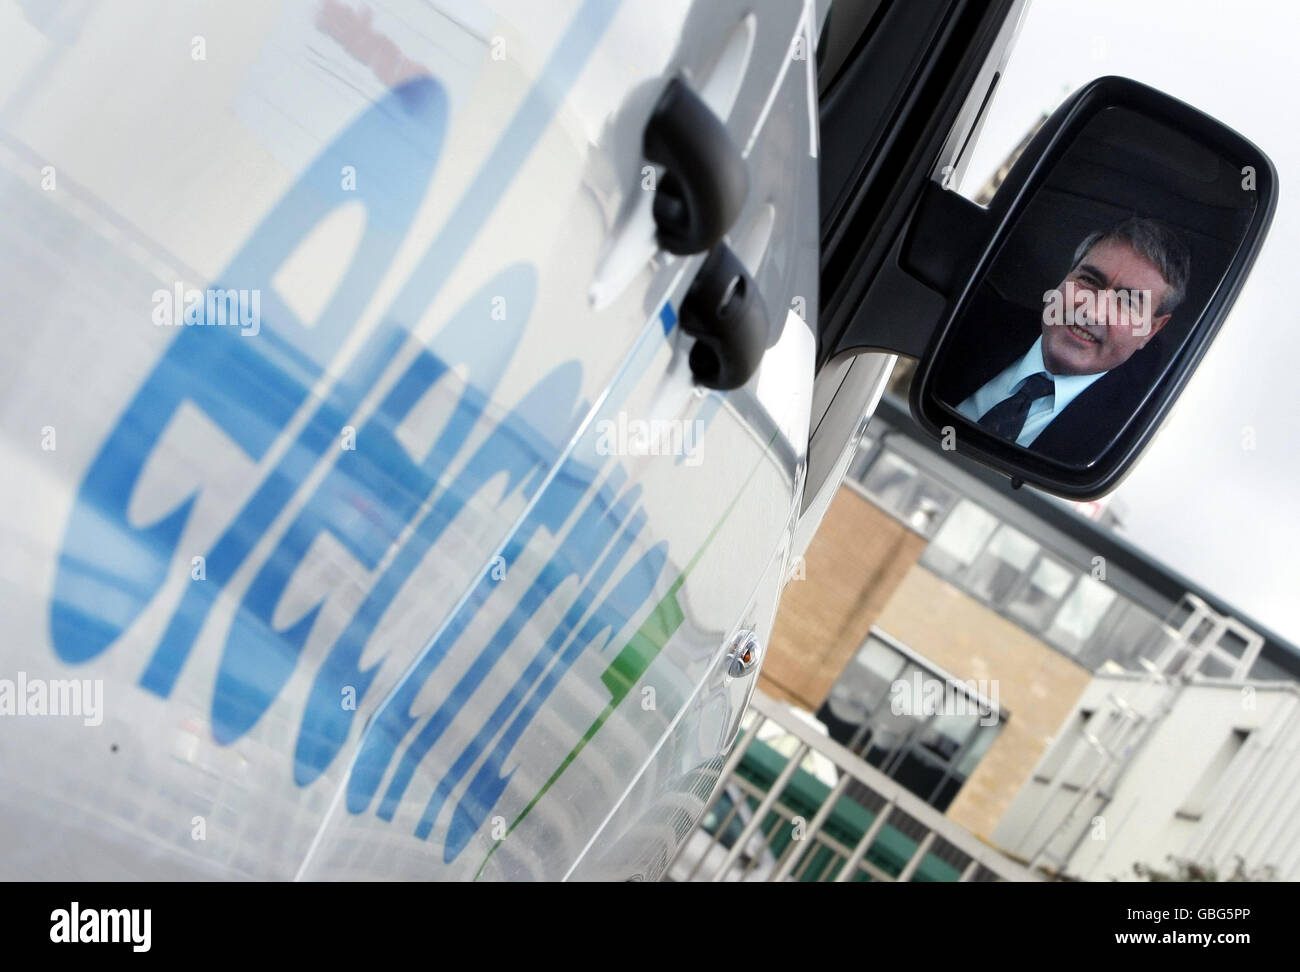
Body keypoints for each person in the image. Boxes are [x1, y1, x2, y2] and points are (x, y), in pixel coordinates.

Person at [943, 216, 1191, 466]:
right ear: (1065, 277)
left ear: (1151, 329)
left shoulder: (1125, 437)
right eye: (1089, 281)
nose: (1091, 311)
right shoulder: (968, 320)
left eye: (1126, 301)